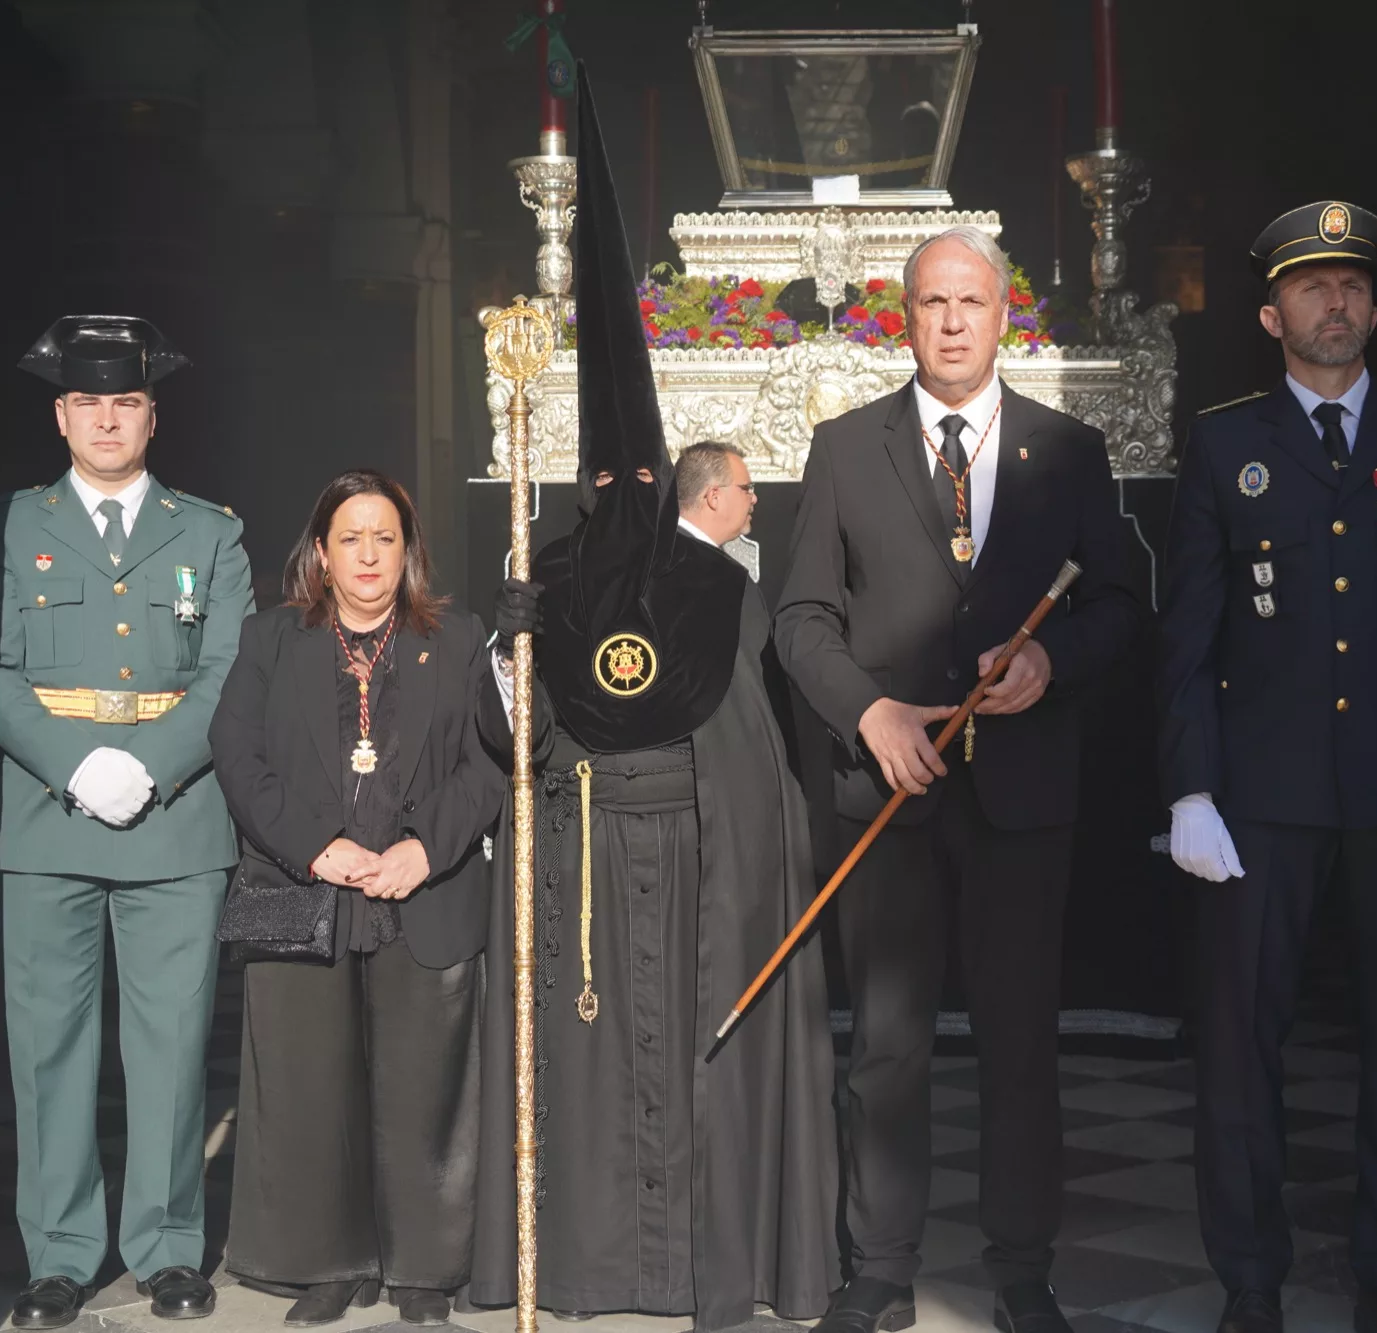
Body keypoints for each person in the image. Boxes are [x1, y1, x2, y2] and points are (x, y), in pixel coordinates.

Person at [466, 65, 836, 1332]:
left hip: (694, 864)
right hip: (578, 855)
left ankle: (700, 1271)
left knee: (695, 1055)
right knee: (584, 1065)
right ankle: (585, 1272)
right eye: (607, 483)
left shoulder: (718, 594)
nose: (624, 498)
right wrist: (510, 646)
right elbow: (509, 736)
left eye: (644, 479)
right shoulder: (554, 581)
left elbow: (757, 752)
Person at [1154, 202, 1377, 1333]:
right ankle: (1249, 1280)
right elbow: (1188, 635)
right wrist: (1189, 790)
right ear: (1271, 316)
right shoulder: (1225, 443)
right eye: (1311, 287)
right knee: (1238, 1051)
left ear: (1374, 307)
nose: (1335, 302)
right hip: (1258, 799)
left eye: (1352, 284)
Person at [774, 225, 1142, 1333]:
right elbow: (800, 619)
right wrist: (867, 710)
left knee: (1019, 1042)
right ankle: (880, 1267)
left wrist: (1049, 659)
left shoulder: (1067, 451)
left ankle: (1021, 1268)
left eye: (969, 303)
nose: (949, 322)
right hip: (888, 796)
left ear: (1001, 316)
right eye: (931, 302)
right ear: (905, 317)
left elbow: (1120, 605)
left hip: (1021, 799)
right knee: (886, 1046)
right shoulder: (845, 449)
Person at [0, 316, 251, 1328]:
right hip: (48, 817)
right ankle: (59, 1253)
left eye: (125, 402)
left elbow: (227, 674)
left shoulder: (210, 533)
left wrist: (153, 766)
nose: (107, 420)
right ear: (61, 416)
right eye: (88, 403)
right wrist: (75, 763)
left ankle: (167, 1248)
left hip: (174, 820)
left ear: (151, 415)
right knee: (49, 1047)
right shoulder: (8, 526)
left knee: (171, 1046)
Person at [208, 469, 497, 1329]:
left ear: (409, 551)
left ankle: (422, 1269)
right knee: (312, 1088)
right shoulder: (272, 639)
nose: (368, 555)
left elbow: (488, 760)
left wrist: (424, 848)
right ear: (321, 553)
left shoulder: (458, 639)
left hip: (421, 893)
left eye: (385, 538)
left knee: (423, 1089)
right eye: (350, 538)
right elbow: (237, 752)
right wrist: (314, 847)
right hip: (311, 892)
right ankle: (325, 1264)